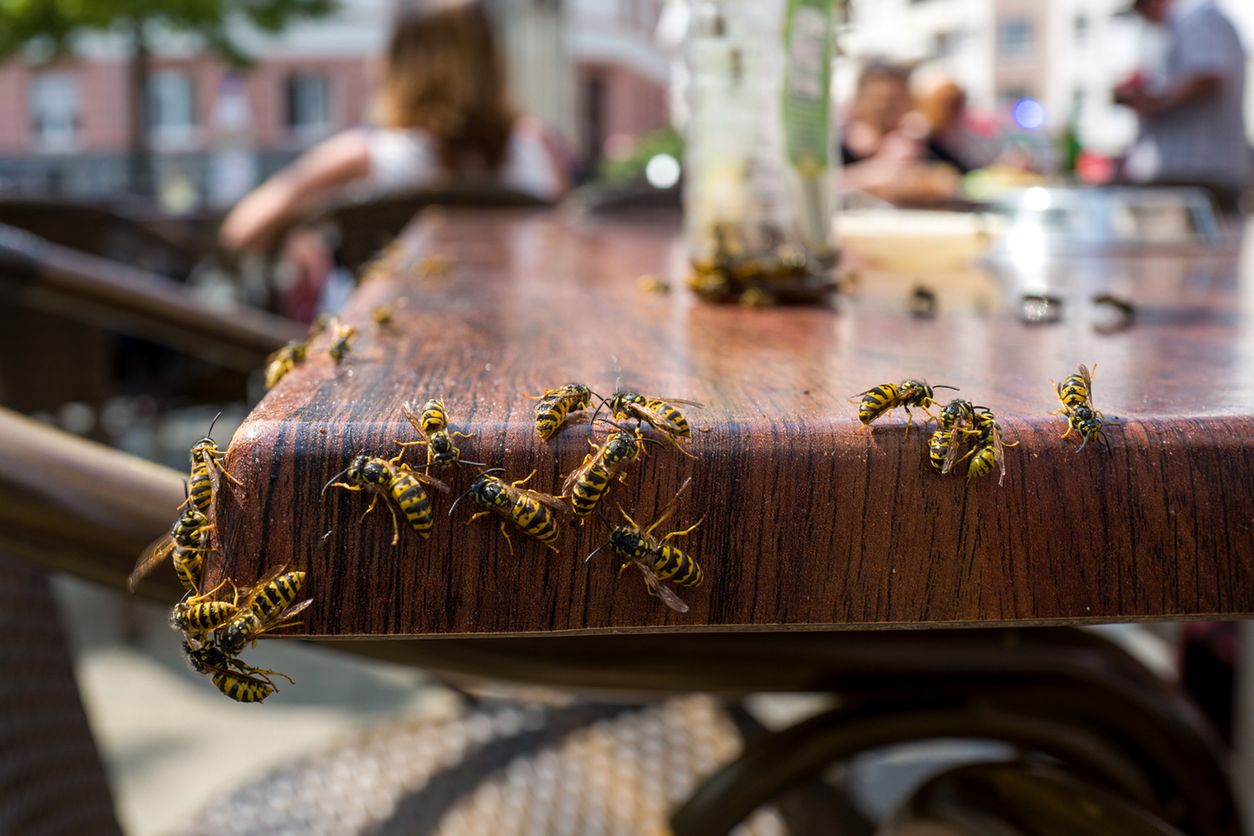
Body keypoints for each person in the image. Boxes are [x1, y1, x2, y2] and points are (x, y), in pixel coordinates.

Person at [220, 0, 569, 255]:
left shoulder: (362, 156)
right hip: (516, 339)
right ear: (495, 64)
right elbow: (569, 242)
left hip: (378, 345)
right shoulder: (537, 146)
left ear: (397, 65)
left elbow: (241, 230)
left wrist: (298, 230)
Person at [1116, 0, 1249, 212]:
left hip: (1196, 173)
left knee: (1188, 244)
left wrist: (1156, 102)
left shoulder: (1197, 17)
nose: (1145, 19)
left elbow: (1209, 74)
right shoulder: (1189, 22)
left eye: (1142, 9)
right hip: (1194, 175)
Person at [839, 62, 962, 205]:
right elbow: (824, 185)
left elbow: (953, 179)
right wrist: (879, 169)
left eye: (894, 102)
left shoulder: (918, 142)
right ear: (859, 100)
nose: (884, 109)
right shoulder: (837, 144)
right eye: (878, 100)